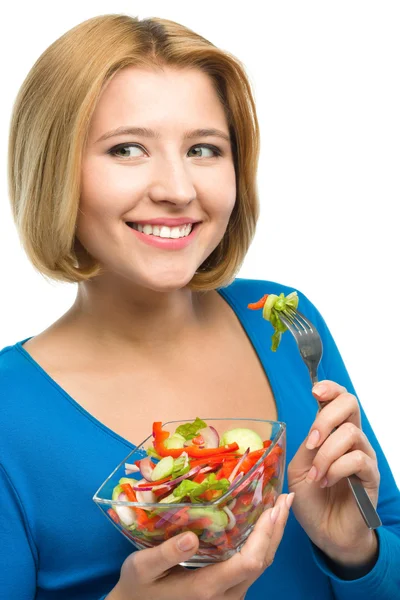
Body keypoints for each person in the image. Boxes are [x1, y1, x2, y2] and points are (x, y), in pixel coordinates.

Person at [1, 13, 399, 600]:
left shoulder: (285, 322)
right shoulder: (9, 414)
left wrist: (357, 549)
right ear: (54, 170)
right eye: (128, 149)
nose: (179, 189)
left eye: (204, 149)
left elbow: (385, 534)